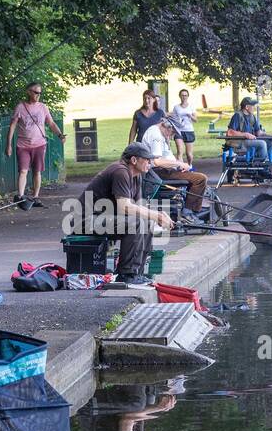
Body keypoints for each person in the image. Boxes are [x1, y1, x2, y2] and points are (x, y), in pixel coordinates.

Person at [80, 142, 172, 285]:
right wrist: (156, 215)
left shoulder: (137, 175)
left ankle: (137, 272)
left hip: (105, 218)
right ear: (134, 160)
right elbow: (125, 207)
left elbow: (138, 207)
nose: (150, 163)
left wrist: (159, 216)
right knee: (136, 223)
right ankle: (126, 274)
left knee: (146, 221)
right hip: (85, 220)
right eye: (147, 159)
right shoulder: (120, 172)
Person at [4, 81, 65, 210]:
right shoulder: (20, 107)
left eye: (40, 93)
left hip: (39, 144)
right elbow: (12, 126)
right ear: (29, 92)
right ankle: (20, 197)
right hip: (23, 145)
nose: (38, 95)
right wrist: (8, 144)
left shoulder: (43, 107)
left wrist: (60, 135)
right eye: (36, 92)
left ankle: (36, 197)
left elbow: (51, 123)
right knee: (23, 171)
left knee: (37, 172)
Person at [141, 116, 208, 223]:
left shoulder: (159, 133)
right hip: (159, 172)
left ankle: (192, 210)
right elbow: (157, 161)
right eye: (172, 132)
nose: (172, 136)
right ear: (166, 126)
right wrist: (179, 163)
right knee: (200, 179)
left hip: (164, 170)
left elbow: (165, 158)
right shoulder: (156, 136)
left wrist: (178, 166)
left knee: (195, 177)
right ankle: (188, 213)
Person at [226, 96, 272, 163]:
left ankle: (268, 163)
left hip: (250, 141)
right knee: (262, 143)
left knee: (271, 142)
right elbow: (230, 133)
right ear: (247, 107)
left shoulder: (252, 117)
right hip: (240, 142)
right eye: (252, 105)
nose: (254, 107)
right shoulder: (237, 116)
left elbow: (259, 133)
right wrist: (245, 134)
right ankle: (261, 164)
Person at [168, 88, 213, 164]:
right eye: (182, 95)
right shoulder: (176, 107)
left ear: (188, 96)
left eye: (185, 95)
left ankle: (190, 165)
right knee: (179, 152)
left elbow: (195, 120)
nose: (184, 97)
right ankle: (181, 168)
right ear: (180, 96)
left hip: (189, 130)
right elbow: (174, 118)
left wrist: (190, 116)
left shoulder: (191, 107)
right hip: (179, 131)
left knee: (189, 154)